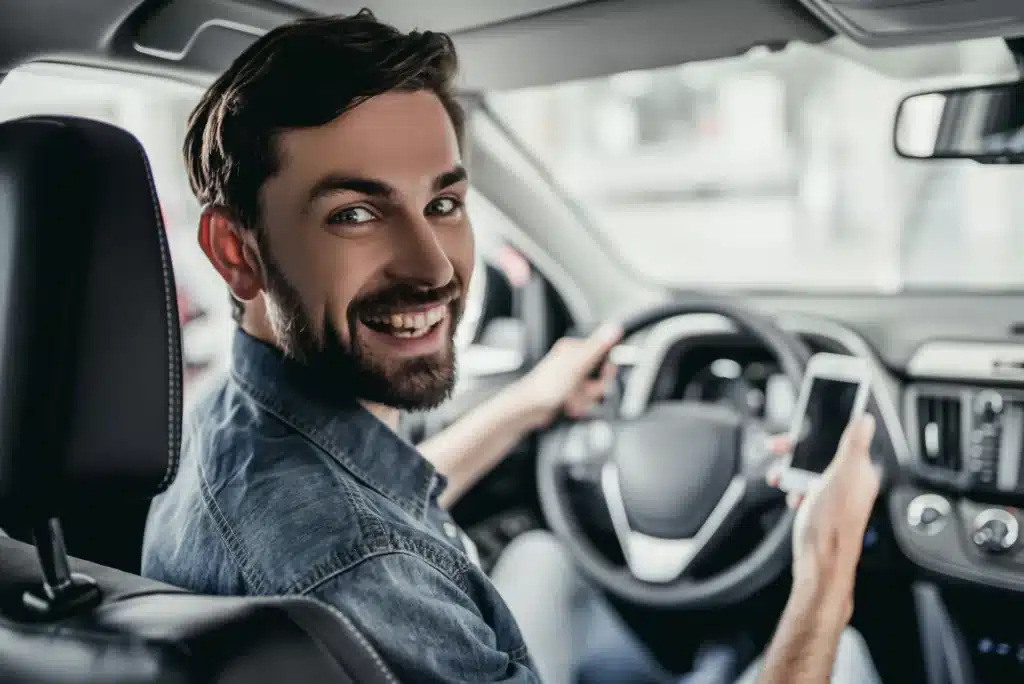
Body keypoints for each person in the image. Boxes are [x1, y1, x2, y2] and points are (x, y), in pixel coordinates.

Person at [141, 11, 884, 684]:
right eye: (357, 213)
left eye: (443, 204)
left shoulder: (230, 424)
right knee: (842, 653)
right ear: (237, 253)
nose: (433, 268)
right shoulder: (357, 574)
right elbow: (364, 543)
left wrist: (527, 407)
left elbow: (370, 499)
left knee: (540, 558)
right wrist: (827, 571)